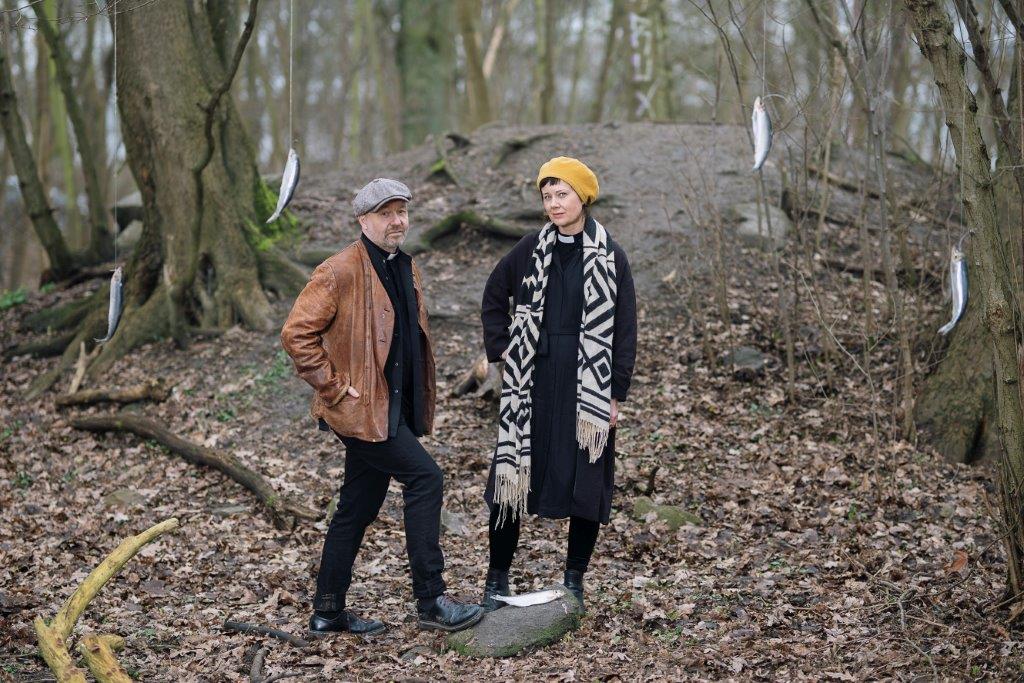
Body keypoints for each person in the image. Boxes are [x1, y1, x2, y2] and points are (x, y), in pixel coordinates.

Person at [281, 178, 483, 636]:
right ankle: (431, 600)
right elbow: (296, 334)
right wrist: (333, 388)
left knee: (357, 505)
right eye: (386, 213)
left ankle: (328, 611)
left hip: (391, 408)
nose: (397, 221)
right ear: (363, 219)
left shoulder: (403, 265)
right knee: (425, 478)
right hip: (361, 411)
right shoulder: (338, 270)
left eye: (401, 212)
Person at [480, 157, 637, 611]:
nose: (553, 204)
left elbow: (625, 330)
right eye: (547, 196)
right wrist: (502, 348)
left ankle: (574, 581)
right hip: (533, 380)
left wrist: (615, 394)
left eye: (562, 194)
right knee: (512, 477)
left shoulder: (611, 256)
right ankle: (496, 580)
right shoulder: (530, 248)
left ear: (582, 196)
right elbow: (494, 295)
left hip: (588, 384)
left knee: (586, 478)